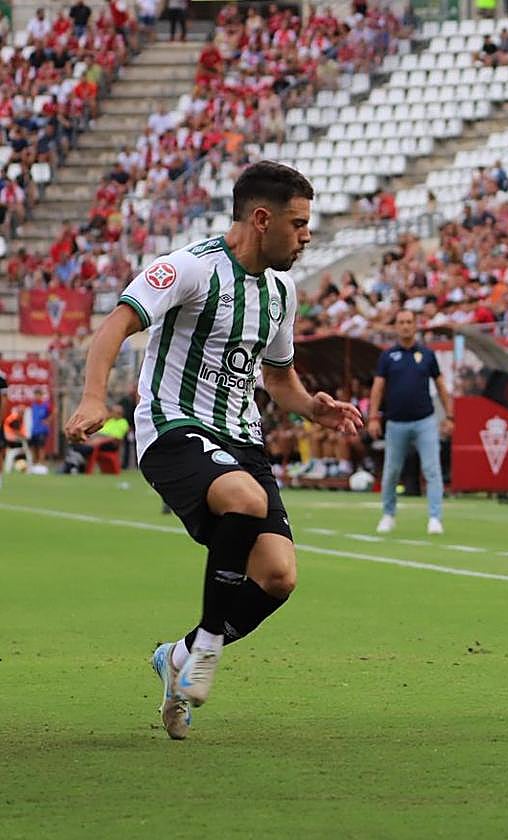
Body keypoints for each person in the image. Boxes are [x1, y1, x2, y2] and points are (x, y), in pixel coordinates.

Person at [65, 162, 363, 740]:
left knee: (278, 577)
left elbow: (277, 378)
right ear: (261, 218)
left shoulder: (281, 290)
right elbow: (114, 327)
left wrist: (312, 407)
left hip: (241, 438)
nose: (307, 236)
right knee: (245, 500)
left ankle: (174, 656)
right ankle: (205, 646)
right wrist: (94, 397)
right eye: (299, 224)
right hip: (172, 426)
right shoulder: (190, 268)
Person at [369, 309, 453, 536]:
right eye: (401, 322)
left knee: (432, 470)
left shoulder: (427, 355)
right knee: (392, 471)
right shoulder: (387, 356)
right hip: (395, 422)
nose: (405, 326)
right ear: (396, 327)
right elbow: (378, 388)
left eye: (409, 322)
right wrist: (373, 416)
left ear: (416, 326)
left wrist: (449, 416)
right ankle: (388, 514)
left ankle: (435, 517)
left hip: (425, 420)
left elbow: (441, 386)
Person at [28, 388, 53, 467]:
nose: (36, 397)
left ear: (41, 396)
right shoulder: (33, 405)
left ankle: (41, 464)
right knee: (33, 447)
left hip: (42, 430)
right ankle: (34, 463)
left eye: (38, 395)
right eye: (35, 395)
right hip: (33, 430)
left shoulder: (46, 405)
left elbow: (54, 412)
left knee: (41, 447)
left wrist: (47, 420)